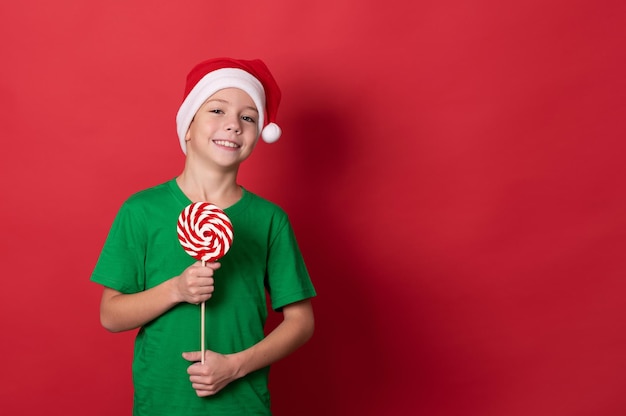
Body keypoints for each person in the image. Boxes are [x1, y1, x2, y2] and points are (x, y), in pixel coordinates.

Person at [90, 57, 316, 416]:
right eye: (217, 109)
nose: (233, 125)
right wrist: (176, 290)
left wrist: (236, 366)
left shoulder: (270, 219)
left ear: (258, 134)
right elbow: (110, 315)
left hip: (243, 404)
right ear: (188, 127)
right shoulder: (141, 211)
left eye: (248, 117)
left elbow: (302, 322)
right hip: (163, 403)